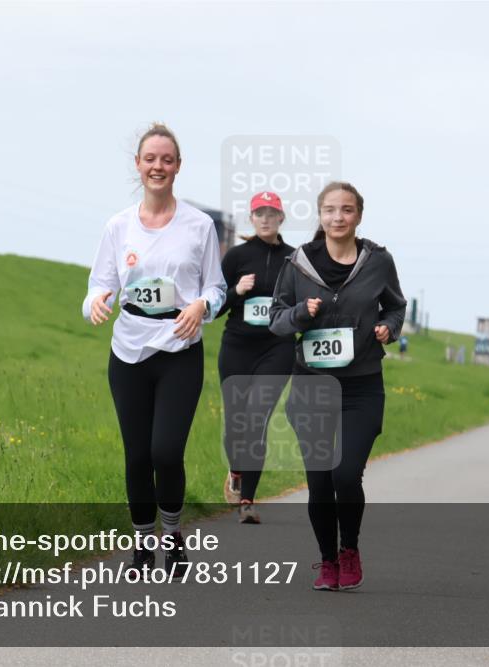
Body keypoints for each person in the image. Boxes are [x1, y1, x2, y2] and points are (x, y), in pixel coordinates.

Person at [82, 123, 226, 575]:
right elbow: (97, 288)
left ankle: (173, 534)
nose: (158, 166)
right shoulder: (118, 226)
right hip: (128, 350)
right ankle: (143, 544)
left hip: (179, 348)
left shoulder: (199, 225)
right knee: (137, 455)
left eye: (167, 159)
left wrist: (201, 305)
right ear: (138, 165)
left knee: (166, 451)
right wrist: (95, 304)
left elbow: (217, 289)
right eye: (150, 159)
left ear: (178, 167)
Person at [270, 181, 406, 591]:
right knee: (319, 482)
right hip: (311, 386)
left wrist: (389, 328)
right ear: (320, 215)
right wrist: (299, 313)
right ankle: (327, 561)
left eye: (347, 210)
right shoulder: (298, 263)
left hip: (361, 386)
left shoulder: (378, 261)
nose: (338, 217)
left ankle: (350, 549)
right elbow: (276, 319)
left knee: (346, 475)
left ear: (358, 216)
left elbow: (396, 306)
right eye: (330, 210)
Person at [217, 191, 295, 524]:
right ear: (252, 219)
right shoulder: (236, 257)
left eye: (271, 213)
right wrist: (237, 291)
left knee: (256, 418)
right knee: (236, 423)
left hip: (277, 348)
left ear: (281, 218)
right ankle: (236, 471)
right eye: (259, 214)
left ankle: (248, 500)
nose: (265, 219)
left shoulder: (295, 259)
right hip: (237, 347)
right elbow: (214, 306)